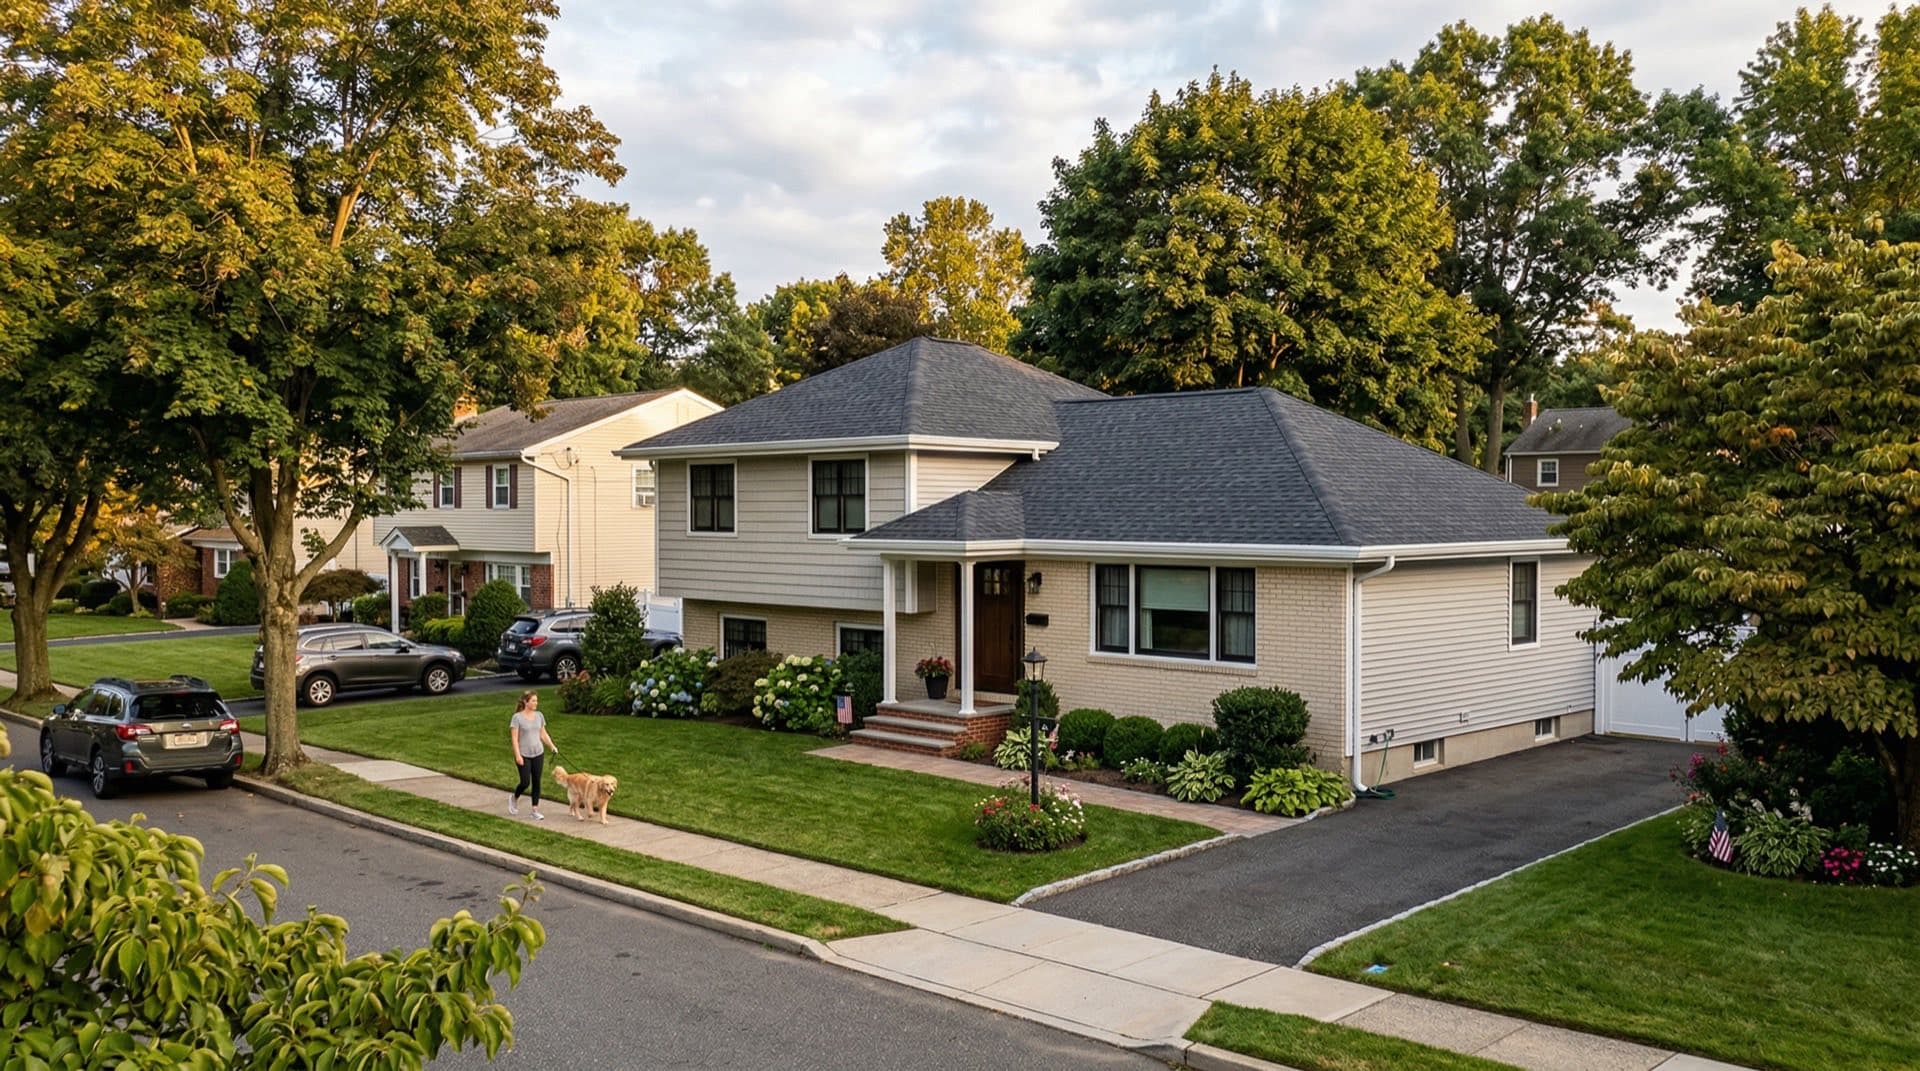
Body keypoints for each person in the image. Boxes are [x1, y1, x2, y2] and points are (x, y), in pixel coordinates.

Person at [508, 690, 558, 819]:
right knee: (525, 782)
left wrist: (552, 746)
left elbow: (543, 734)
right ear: (526, 702)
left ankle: (535, 810)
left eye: (536, 700)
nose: (536, 703)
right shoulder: (517, 718)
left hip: (538, 753)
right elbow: (514, 739)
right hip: (523, 754)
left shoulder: (539, 716)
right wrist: (518, 755)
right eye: (533, 701)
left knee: (537, 781)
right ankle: (514, 797)